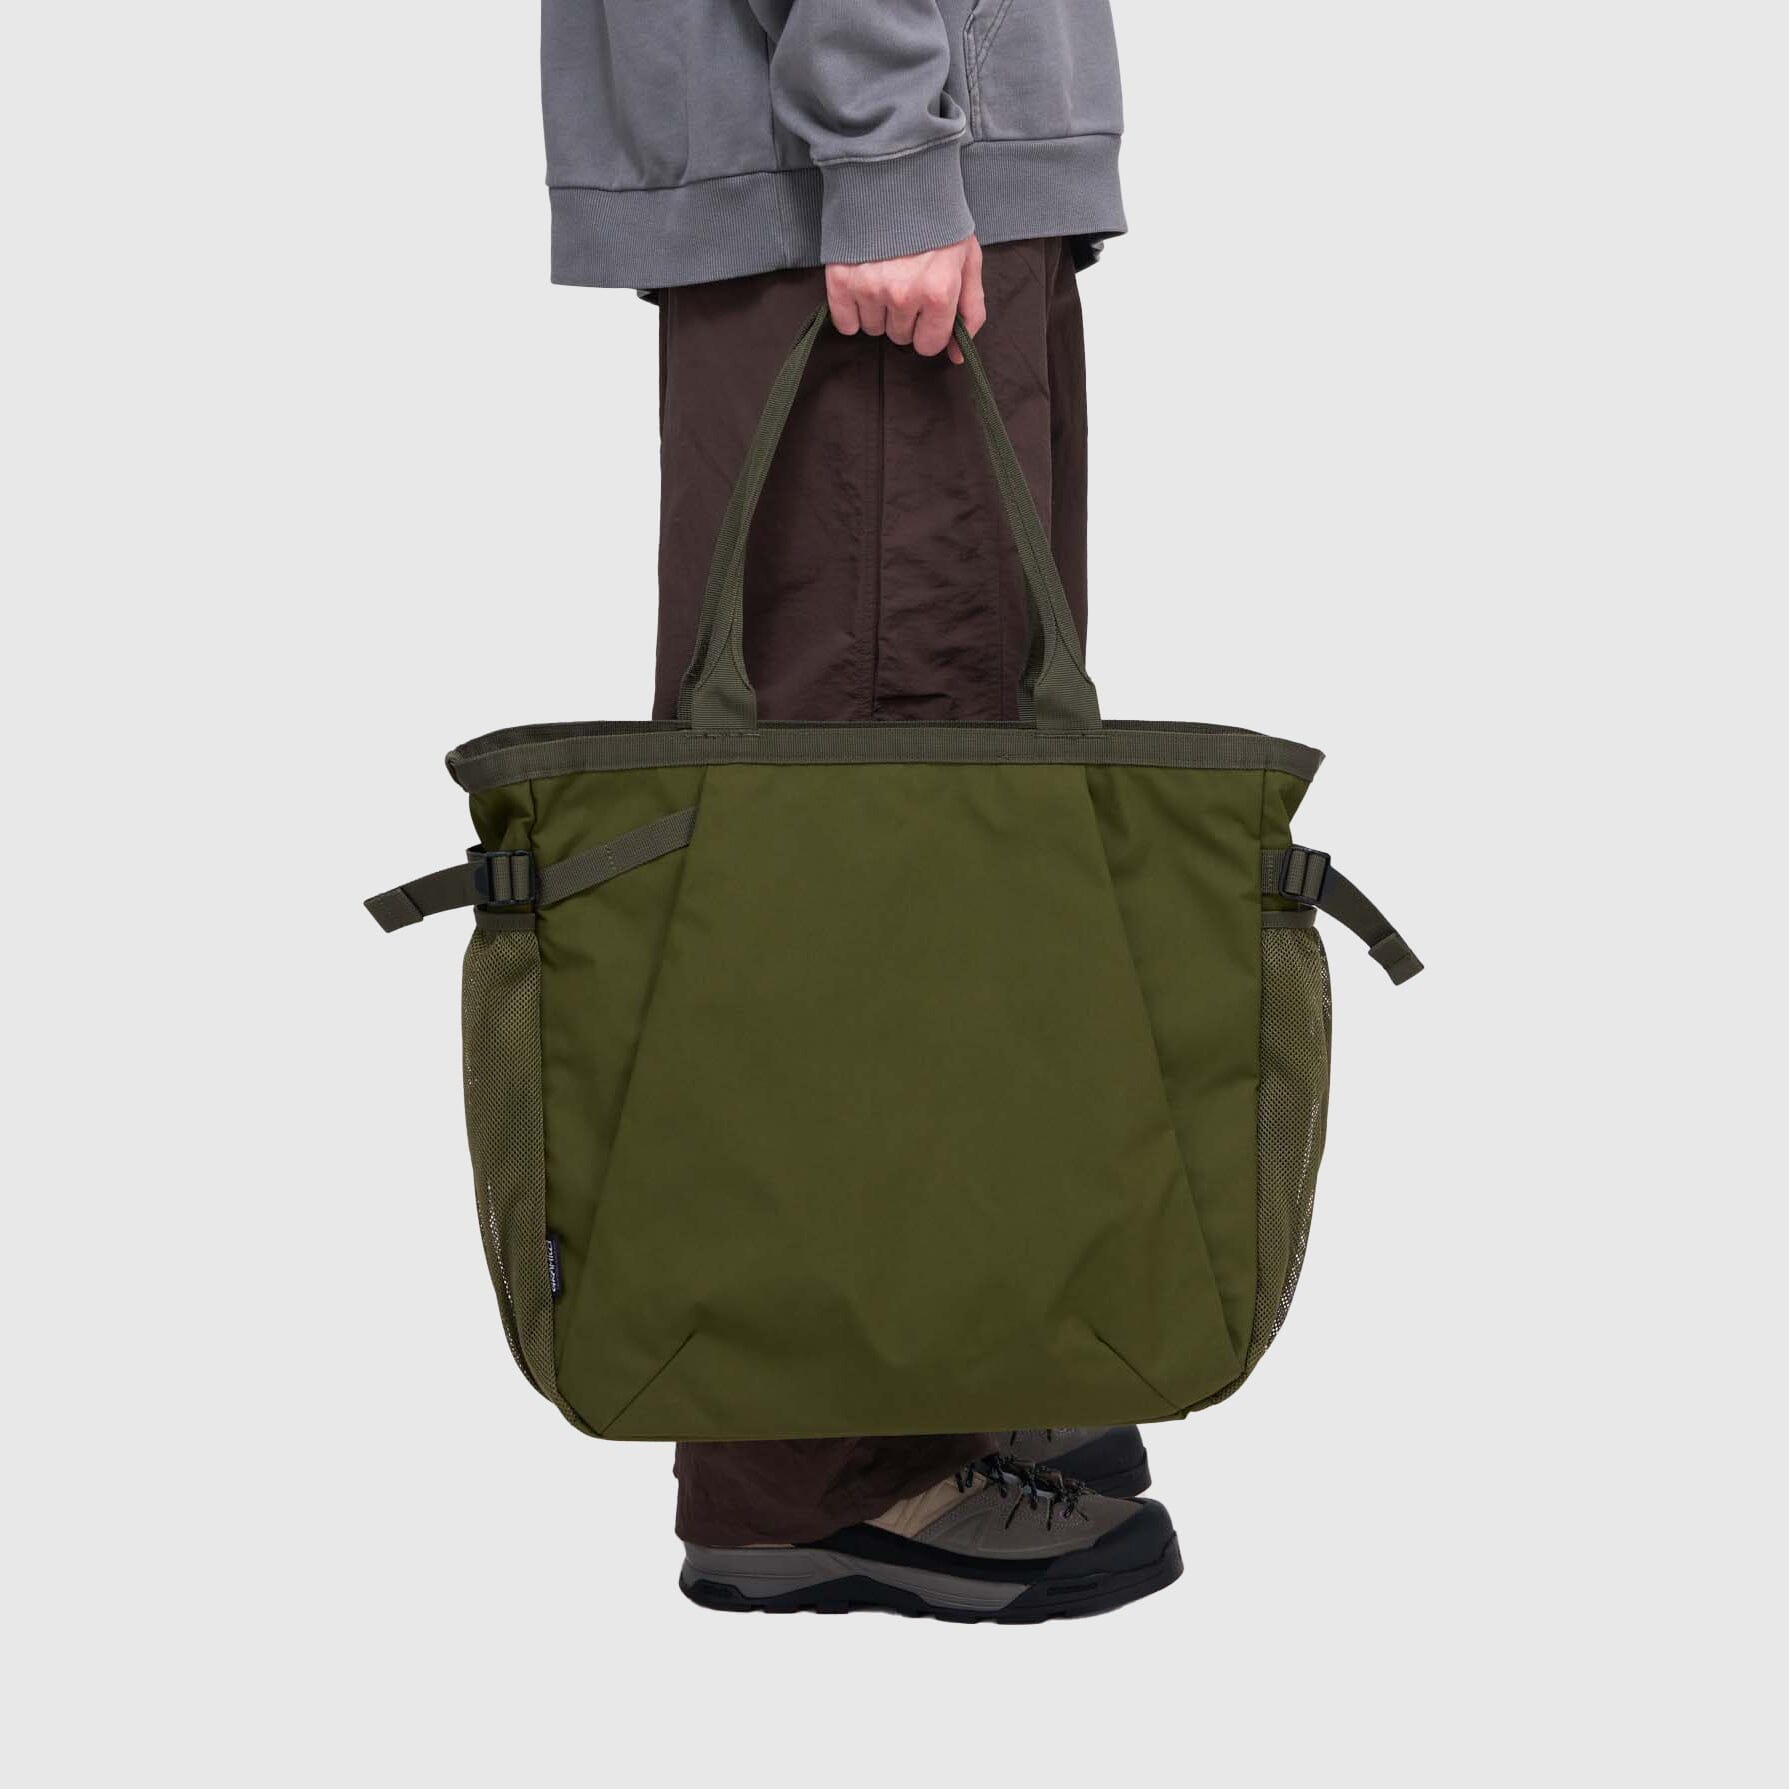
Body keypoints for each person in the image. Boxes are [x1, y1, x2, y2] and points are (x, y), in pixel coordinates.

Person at [543, 0, 1179, 1620]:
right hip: (867, 169)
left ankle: (938, 1363)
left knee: (964, 825)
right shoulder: (879, 161)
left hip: (932, 159)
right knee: (856, 856)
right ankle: (826, 1467)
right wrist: (886, 148)